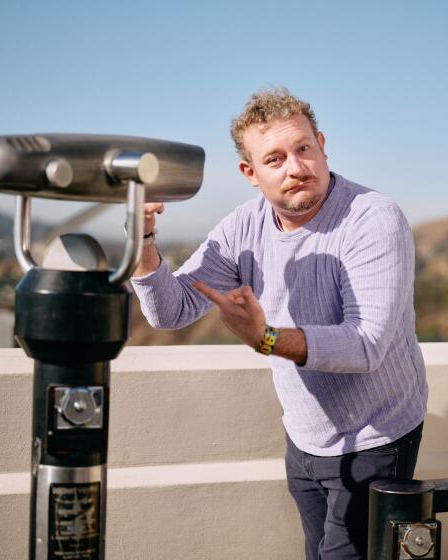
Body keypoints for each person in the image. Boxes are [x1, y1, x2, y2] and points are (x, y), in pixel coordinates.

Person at [131, 87, 428, 559]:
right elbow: (172, 310)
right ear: (250, 173)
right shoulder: (242, 228)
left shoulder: (372, 218)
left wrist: (265, 338)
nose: (296, 168)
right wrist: (143, 239)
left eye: (304, 149)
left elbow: (366, 345)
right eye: (275, 159)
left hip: (377, 437)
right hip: (305, 440)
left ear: (323, 145)